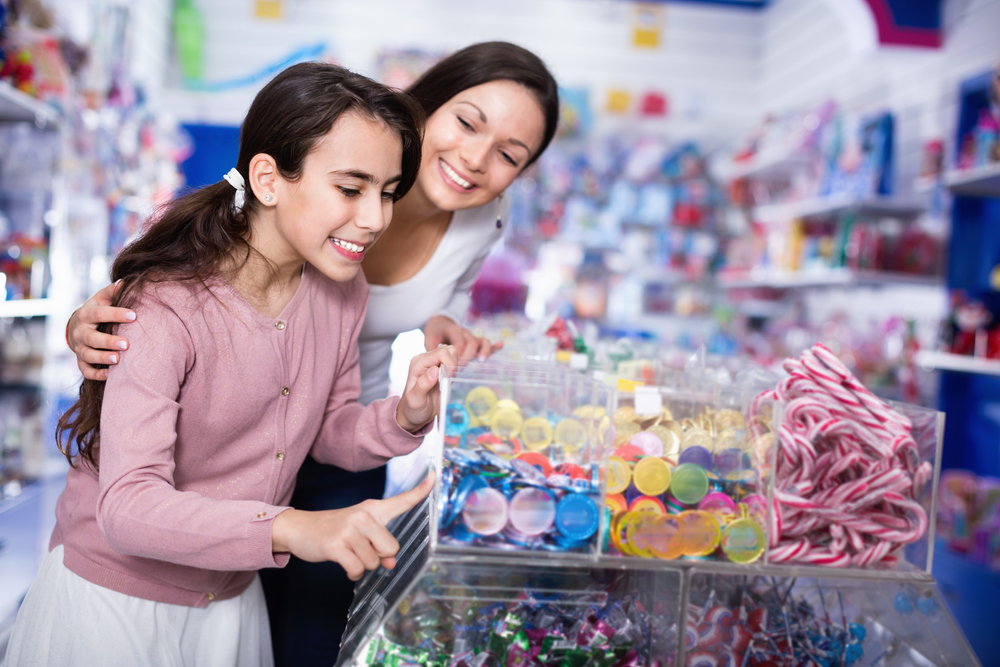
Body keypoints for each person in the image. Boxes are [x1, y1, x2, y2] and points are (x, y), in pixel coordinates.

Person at [65, 41, 559, 666]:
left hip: (324, 444)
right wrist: (91, 327)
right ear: (425, 107)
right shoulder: (198, 281)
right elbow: (133, 497)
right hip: (135, 576)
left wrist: (410, 406)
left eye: (510, 155)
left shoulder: (437, 241)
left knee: (308, 630)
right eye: (467, 122)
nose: (373, 219)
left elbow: (335, 421)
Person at [4, 62, 457, 667]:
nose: (375, 218)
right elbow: (128, 509)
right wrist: (294, 527)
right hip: (113, 605)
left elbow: (325, 431)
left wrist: (405, 414)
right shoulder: (167, 304)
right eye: (351, 189)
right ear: (268, 179)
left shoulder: (342, 291)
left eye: (388, 192)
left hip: (231, 599)